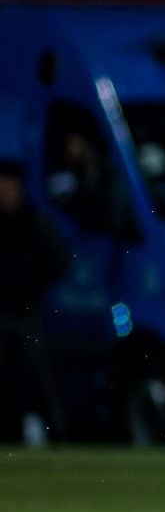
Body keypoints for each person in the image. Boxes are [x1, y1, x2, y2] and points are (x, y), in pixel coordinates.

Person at [0, 158, 70, 445]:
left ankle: (59, 437)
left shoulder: (33, 221)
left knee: (40, 378)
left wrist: (33, 284)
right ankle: (8, 435)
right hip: (2, 311)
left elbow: (59, 260)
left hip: (26, 310)